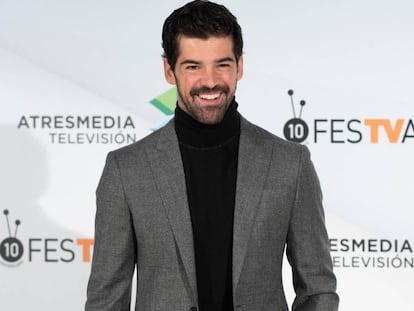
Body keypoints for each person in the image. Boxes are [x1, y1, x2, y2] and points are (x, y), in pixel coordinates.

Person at [85, 1, 339, 310]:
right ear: (169, 70)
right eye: (193, 66)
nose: (210, 80)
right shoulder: (126, 170)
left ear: (239, 66)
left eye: (222, 64)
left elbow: (318, 290)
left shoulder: (289, 164)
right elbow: (106, 299)